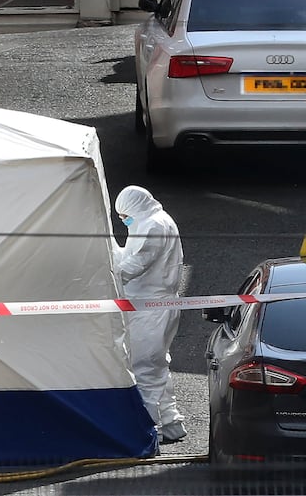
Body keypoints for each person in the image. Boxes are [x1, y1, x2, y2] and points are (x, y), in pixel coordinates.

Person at [113, 185, 187, 444]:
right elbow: (134, 256)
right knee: (157, 365)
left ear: (135, 207)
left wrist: (112, 273)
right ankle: (171, 423)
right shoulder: (154, 220)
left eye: (125, 216)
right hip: (153, 306)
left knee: (145, 367)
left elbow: (136, 264)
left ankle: (148, 432)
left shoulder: (153, 226)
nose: (124, 221)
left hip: (151, 309)